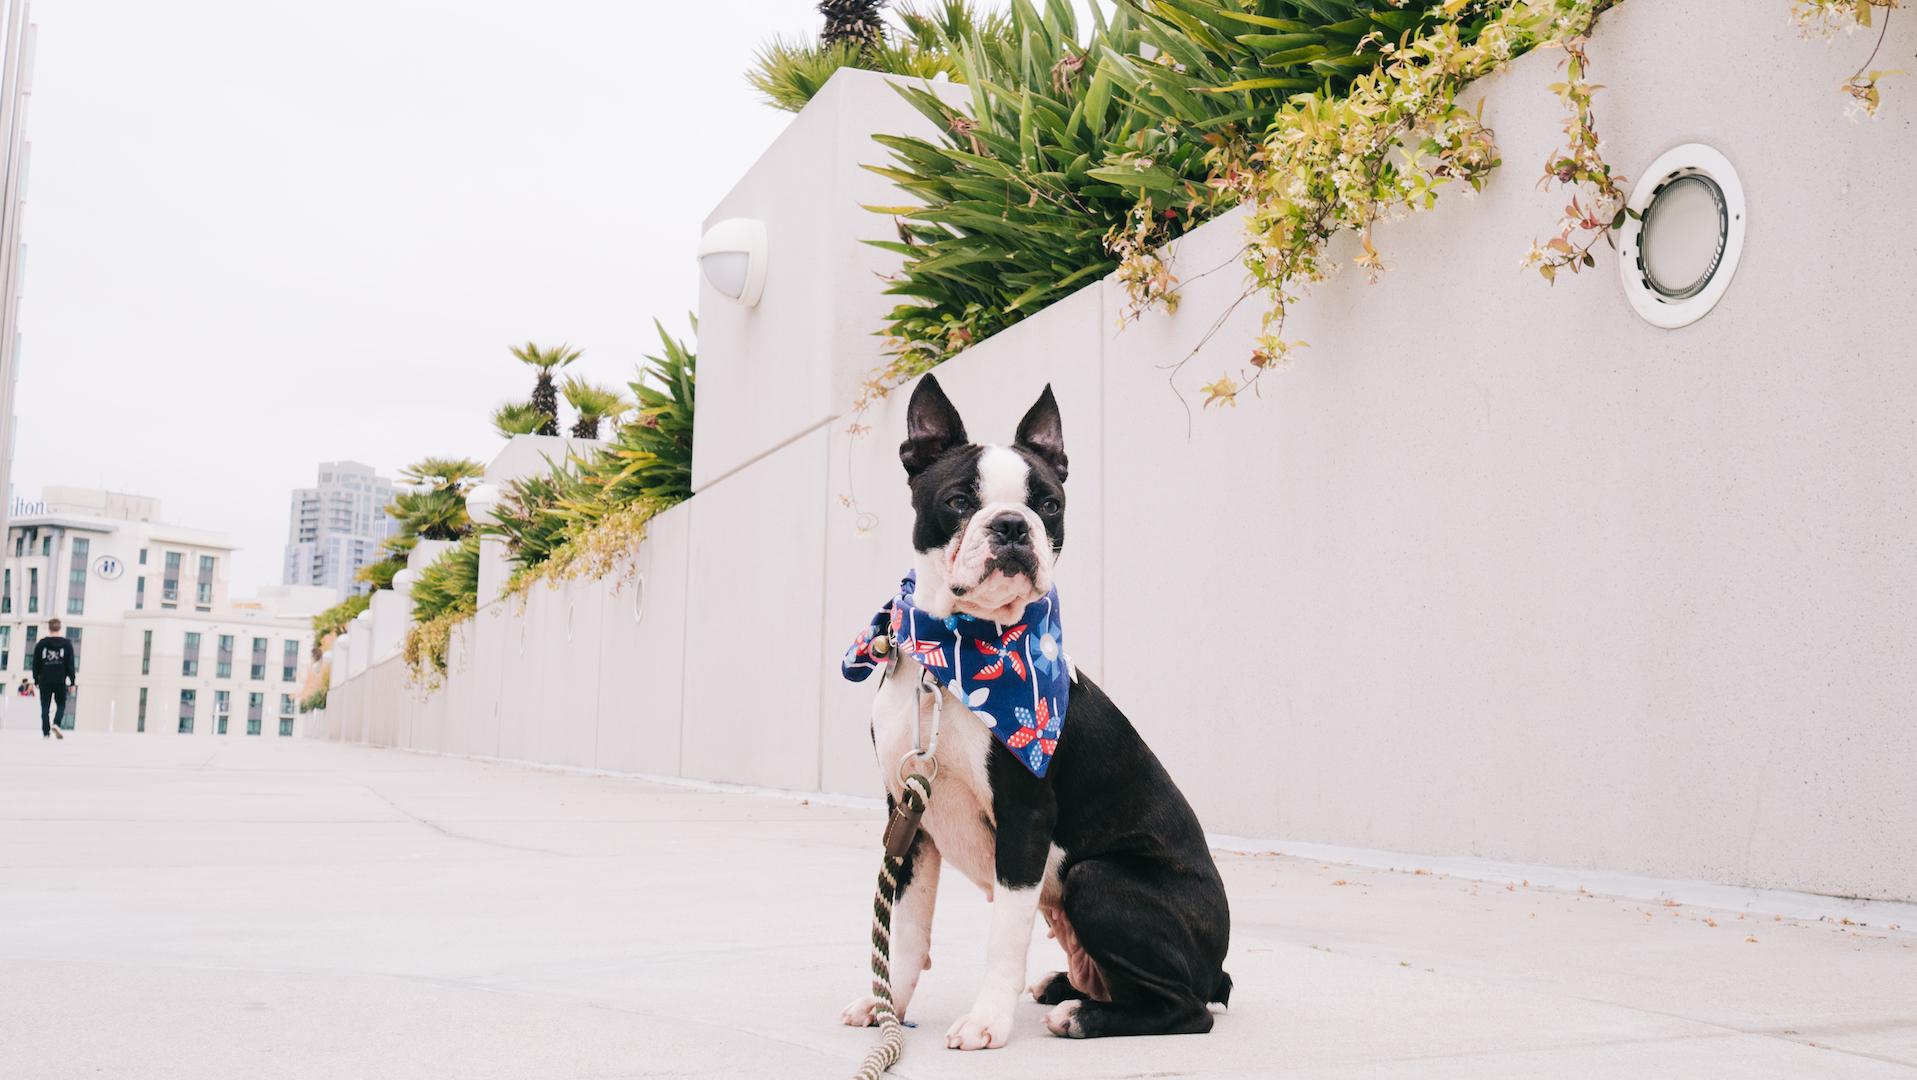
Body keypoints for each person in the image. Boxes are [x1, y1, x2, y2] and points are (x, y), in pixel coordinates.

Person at [33, 618, 76, 739]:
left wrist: (36, 679)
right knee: (61, 703)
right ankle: (57, 723)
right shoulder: (67, 644)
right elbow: (70, 664)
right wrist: (72, 682)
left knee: (45, 706)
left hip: (45, 679)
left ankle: (46, 733)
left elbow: (36, 662)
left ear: (49, 628)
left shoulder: (42, 644)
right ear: (60, 628)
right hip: (60, 679)